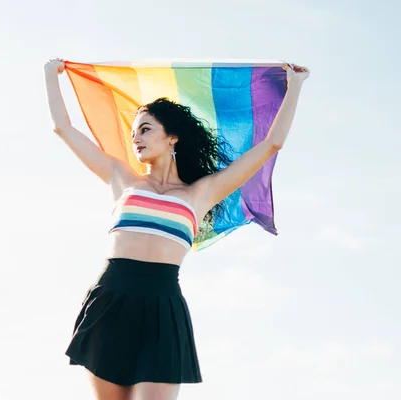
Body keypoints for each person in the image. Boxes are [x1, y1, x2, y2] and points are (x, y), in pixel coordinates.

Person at [44, 58, 309, 400]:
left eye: (145, 129)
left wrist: (296, 86)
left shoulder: (201, 193)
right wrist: (51, 74)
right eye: (133, 131)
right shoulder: (121, 178)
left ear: (172, 138)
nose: (135, 138)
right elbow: (62, 128)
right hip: (111, 299)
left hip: (162, 306)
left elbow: (271, 144)